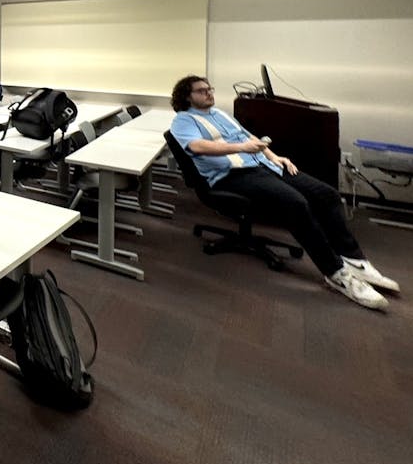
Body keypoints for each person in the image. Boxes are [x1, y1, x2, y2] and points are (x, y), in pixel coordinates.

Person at [169, 75, 399, 310]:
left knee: (327, 194)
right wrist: (242, 147)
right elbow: (197, 145)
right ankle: (336, 273)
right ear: (187, 96)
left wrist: (274, 156)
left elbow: (250, 138)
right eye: (201, 91)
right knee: (296, 203)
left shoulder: (219, 114)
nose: (209, 93)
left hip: (263, 165)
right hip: (233, 175)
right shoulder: (183, 120)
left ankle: (354, 259)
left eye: (210, 88)